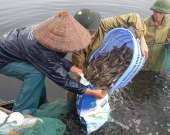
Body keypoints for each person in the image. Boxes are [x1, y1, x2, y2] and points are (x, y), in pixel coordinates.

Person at [0, 11, 106, 116]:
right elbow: (63, 80)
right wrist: (93, 92)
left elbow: (52, 57)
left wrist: (73, 68)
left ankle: (39, 101)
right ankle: (21, 112)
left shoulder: (49, 33)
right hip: (4, 59)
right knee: (35, 73)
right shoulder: (40, 49)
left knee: (40, 71)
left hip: (16, 48)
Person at [67, 8, 149, 101]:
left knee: (104, 89)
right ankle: (72, 104)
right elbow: (79, 66)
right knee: (75, 91)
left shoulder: (103, 25)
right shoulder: (77, 43)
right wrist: (85, 77)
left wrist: (142, 40)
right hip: (89, 65)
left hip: (103, 57)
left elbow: (134, 17)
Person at [142, 0, 170, 73]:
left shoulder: (169, 23)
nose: (157, 14)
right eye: (155, 11)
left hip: (159, 57)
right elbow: (139, 37)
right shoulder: (144, 23)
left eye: (160, 12)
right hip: (145, 56)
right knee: (142, 75)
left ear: (165, 13)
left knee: (156, 76)